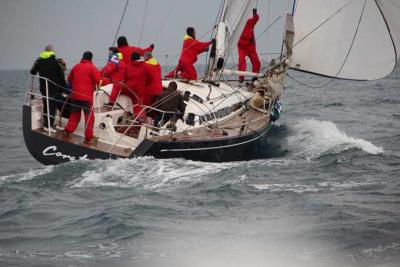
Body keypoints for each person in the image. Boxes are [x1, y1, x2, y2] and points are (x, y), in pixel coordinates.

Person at [64, 51, 101, 142]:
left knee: (74, 115)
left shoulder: (76, 67)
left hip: (75, 96)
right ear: (91, 59)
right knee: (89, 117)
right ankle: (89, 137)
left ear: (82, 57)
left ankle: (68, 130)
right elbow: (98, 81)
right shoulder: (92, 68)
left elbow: (69, 80)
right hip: (86, 97)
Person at [30, 44, 66, 132]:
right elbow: (61, 76)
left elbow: (32, 72)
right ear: (52, 52)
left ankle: (49, 125)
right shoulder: (55, 62)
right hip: (54, 88)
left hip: (43, 87)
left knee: (47, 106)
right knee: (52, 107)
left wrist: (37, 61)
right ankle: (48, 126)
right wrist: (62, 89)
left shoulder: (40, 60)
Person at [237, 8, 261, 83]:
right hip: (242, 47)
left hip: (251, 47)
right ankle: (241, 78)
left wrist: (255, 14)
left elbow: (256, 18)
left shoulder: (249, 22)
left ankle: (255, 77)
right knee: (241, 61)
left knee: (256, 61)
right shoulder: (237, 28)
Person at [124, 52, 147, 118]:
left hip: (129, 89)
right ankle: (140, 120)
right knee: (139, 105)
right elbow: (149, 77)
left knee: (133, 105)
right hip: (140, 89)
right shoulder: (144, 66)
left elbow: (124, 78)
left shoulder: (127, 66)